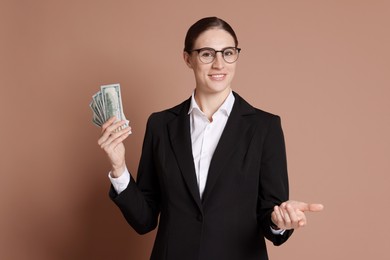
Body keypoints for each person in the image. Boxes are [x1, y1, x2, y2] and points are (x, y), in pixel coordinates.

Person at [98, 17, 323, 260]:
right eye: (207, 54)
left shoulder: (265, 127)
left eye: (228, 53)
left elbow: (272, 218)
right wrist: (119, 168)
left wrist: (280, 220)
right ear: (188, 59)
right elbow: (144, 220)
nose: (219, 64)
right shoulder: (160, 125)